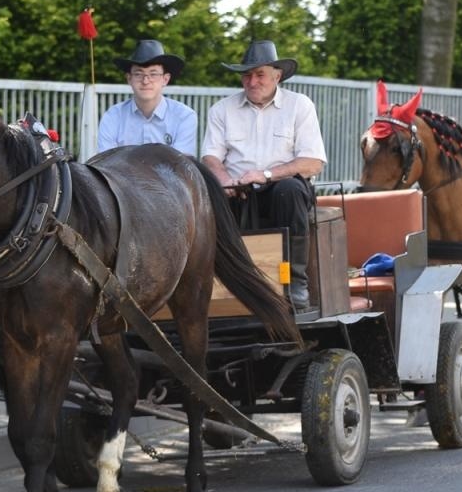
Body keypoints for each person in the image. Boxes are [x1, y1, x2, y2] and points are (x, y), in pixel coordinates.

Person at [201, 40, 327, 313]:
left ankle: (294, 283)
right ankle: (221, 287)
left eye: (260, 74)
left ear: (277, 76)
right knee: (208, 197)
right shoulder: (222, 109)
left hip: (281, 188)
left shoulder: (299, 105)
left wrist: (266, 175)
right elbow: (210, 157)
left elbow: (313, 162)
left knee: (289, 190)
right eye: (247, 75)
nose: (252, 81)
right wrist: (224, 179)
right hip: (236, 190)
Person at [97, 39, 198, 155]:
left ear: (165, 79)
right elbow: (106, 161)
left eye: (153, 74)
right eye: (138, 74)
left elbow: (180, 163)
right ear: (129, 79)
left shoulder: (184, 116)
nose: (145, 81)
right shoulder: (113, 116)